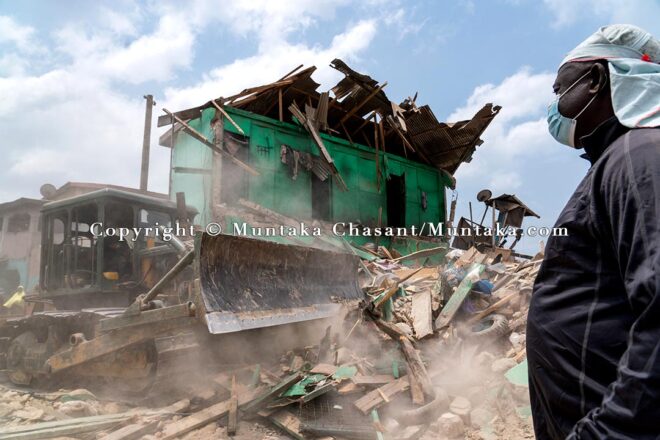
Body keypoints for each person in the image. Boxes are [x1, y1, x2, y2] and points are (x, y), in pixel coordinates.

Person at [527, 24, 660, 439]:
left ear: (597, 80)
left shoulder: (640, 155)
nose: (555, 104)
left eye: (560, 89)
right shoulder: (616, 161)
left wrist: (606, 432)